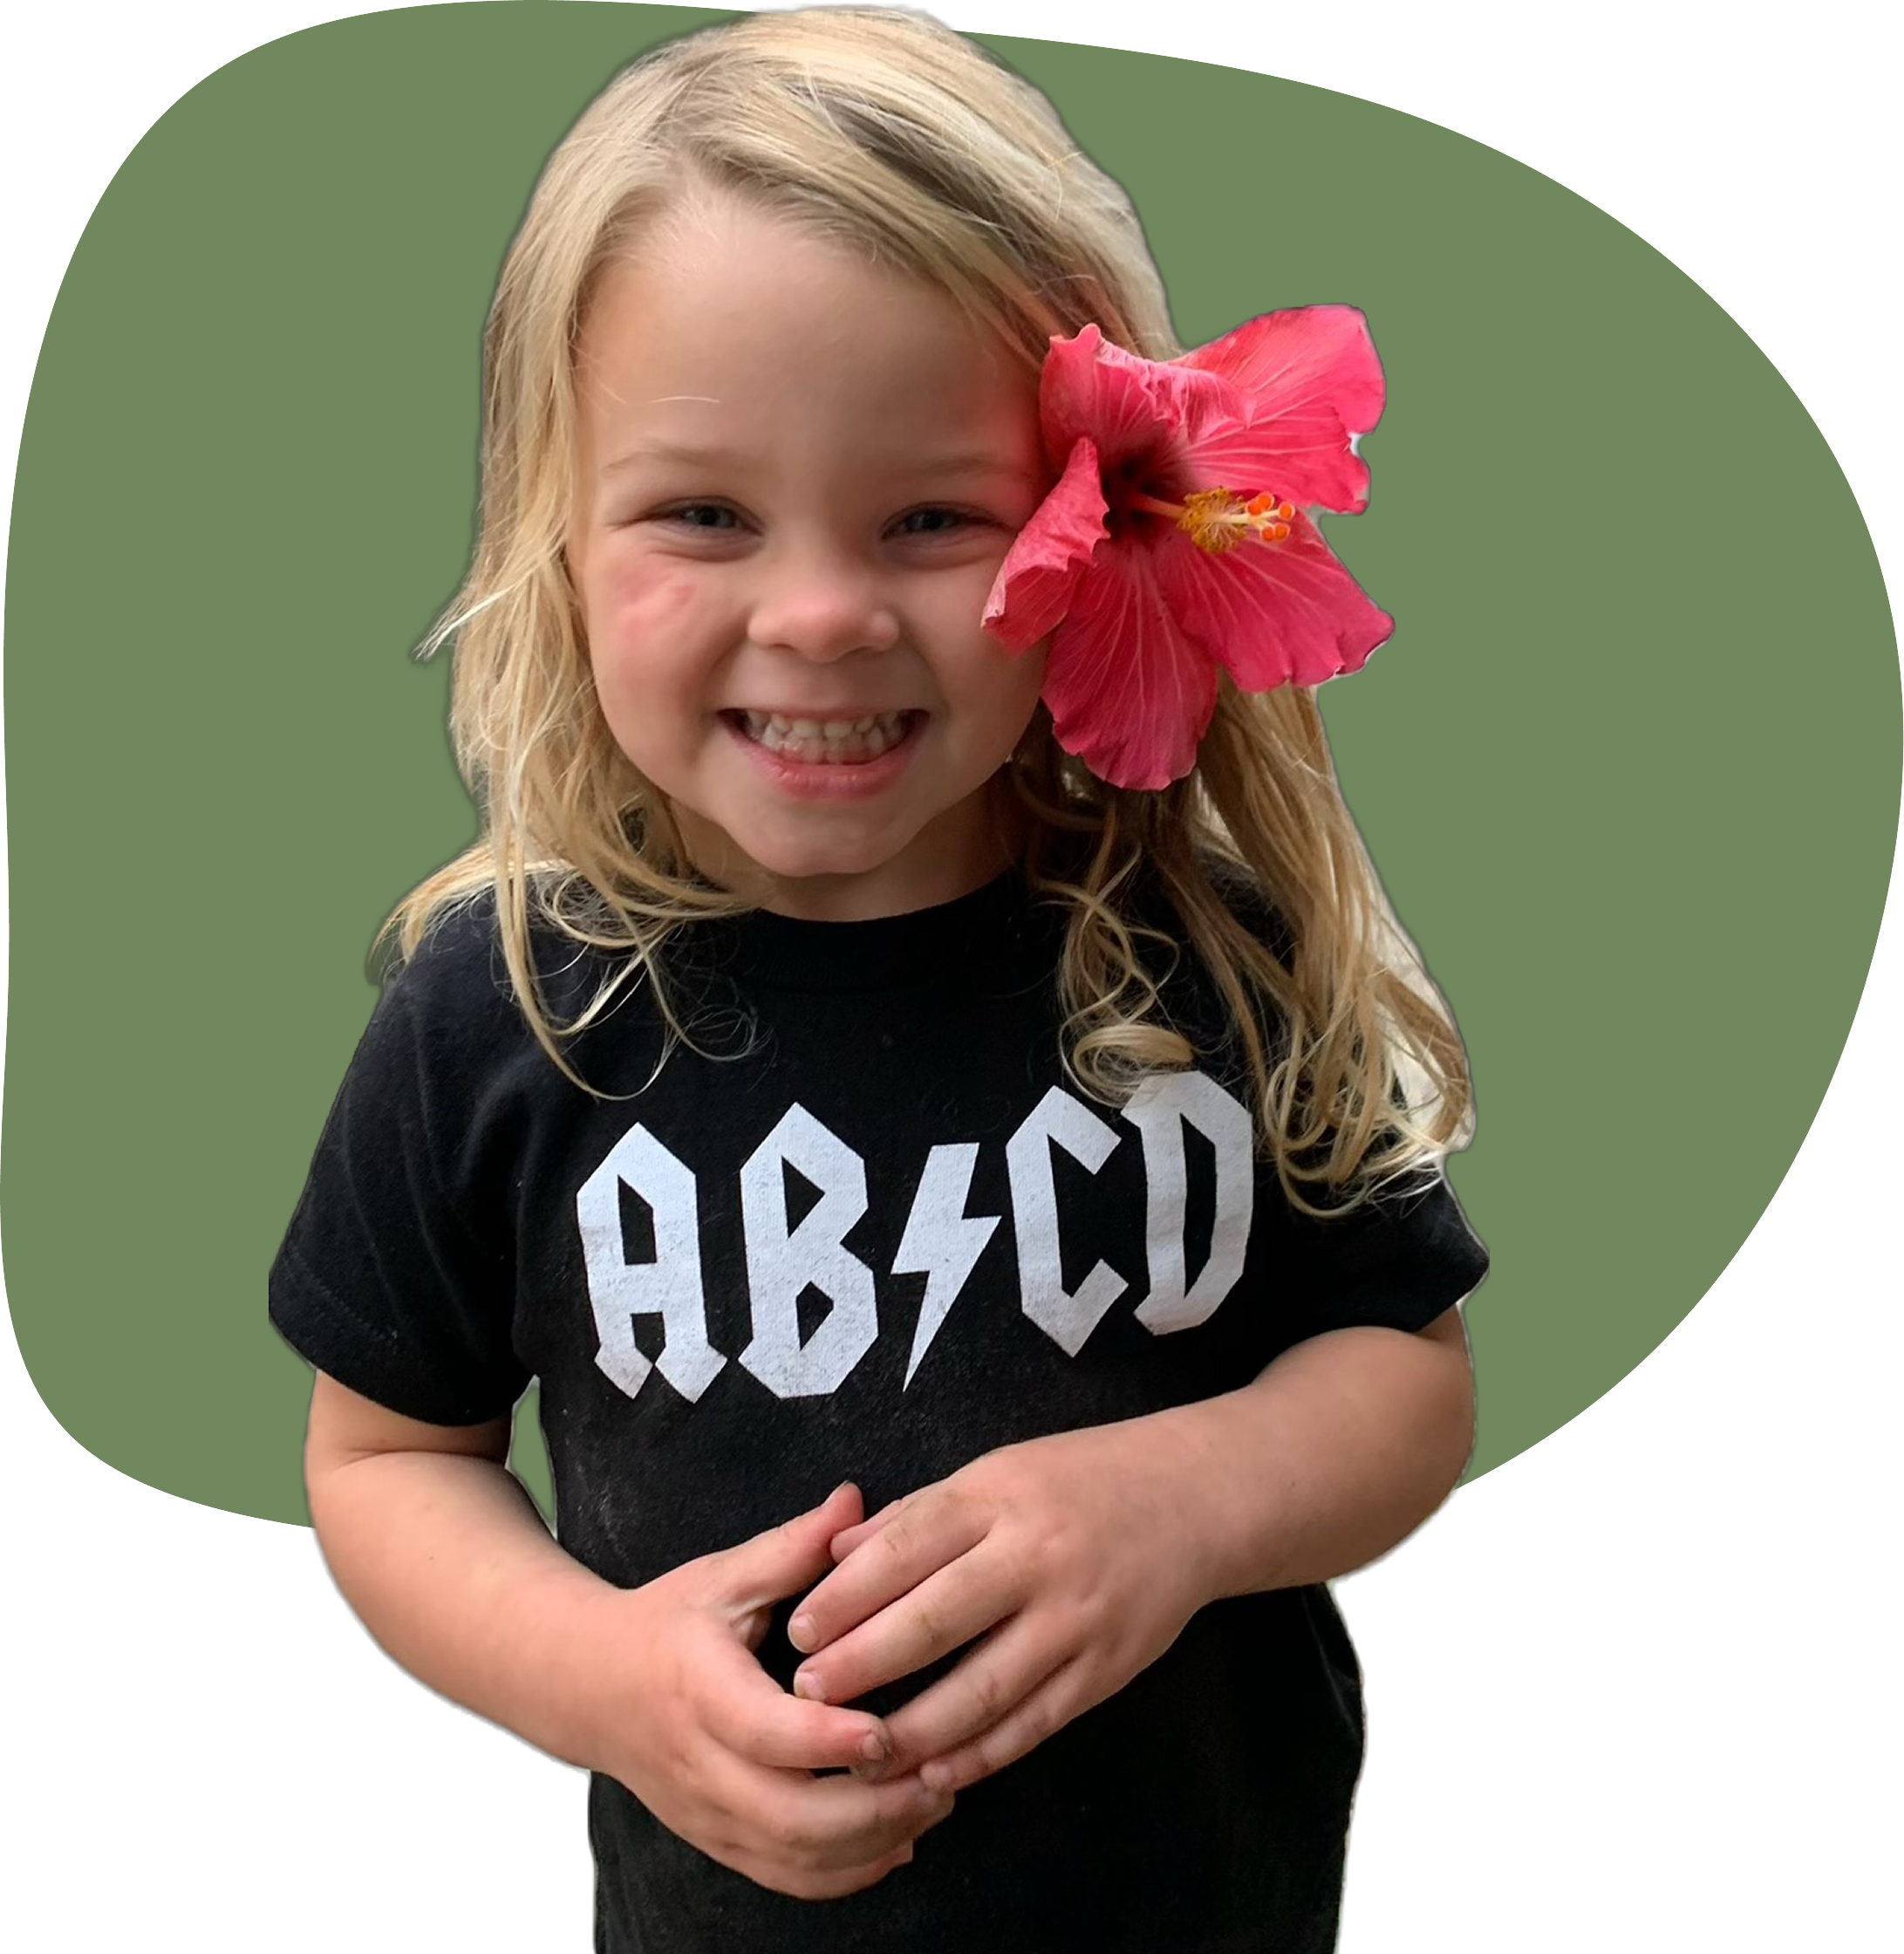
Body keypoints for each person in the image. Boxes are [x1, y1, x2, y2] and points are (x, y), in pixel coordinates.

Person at [267, 8, 1491, 1951]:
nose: (823, 611)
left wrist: (1181, 1500)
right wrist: (598, 1683)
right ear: (555, 542)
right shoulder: (493, 1010)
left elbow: (1401, 1376)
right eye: (702, 513)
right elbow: (387, 1458)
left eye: (933, 515)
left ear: (1096, 532)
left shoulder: (1196, 956)